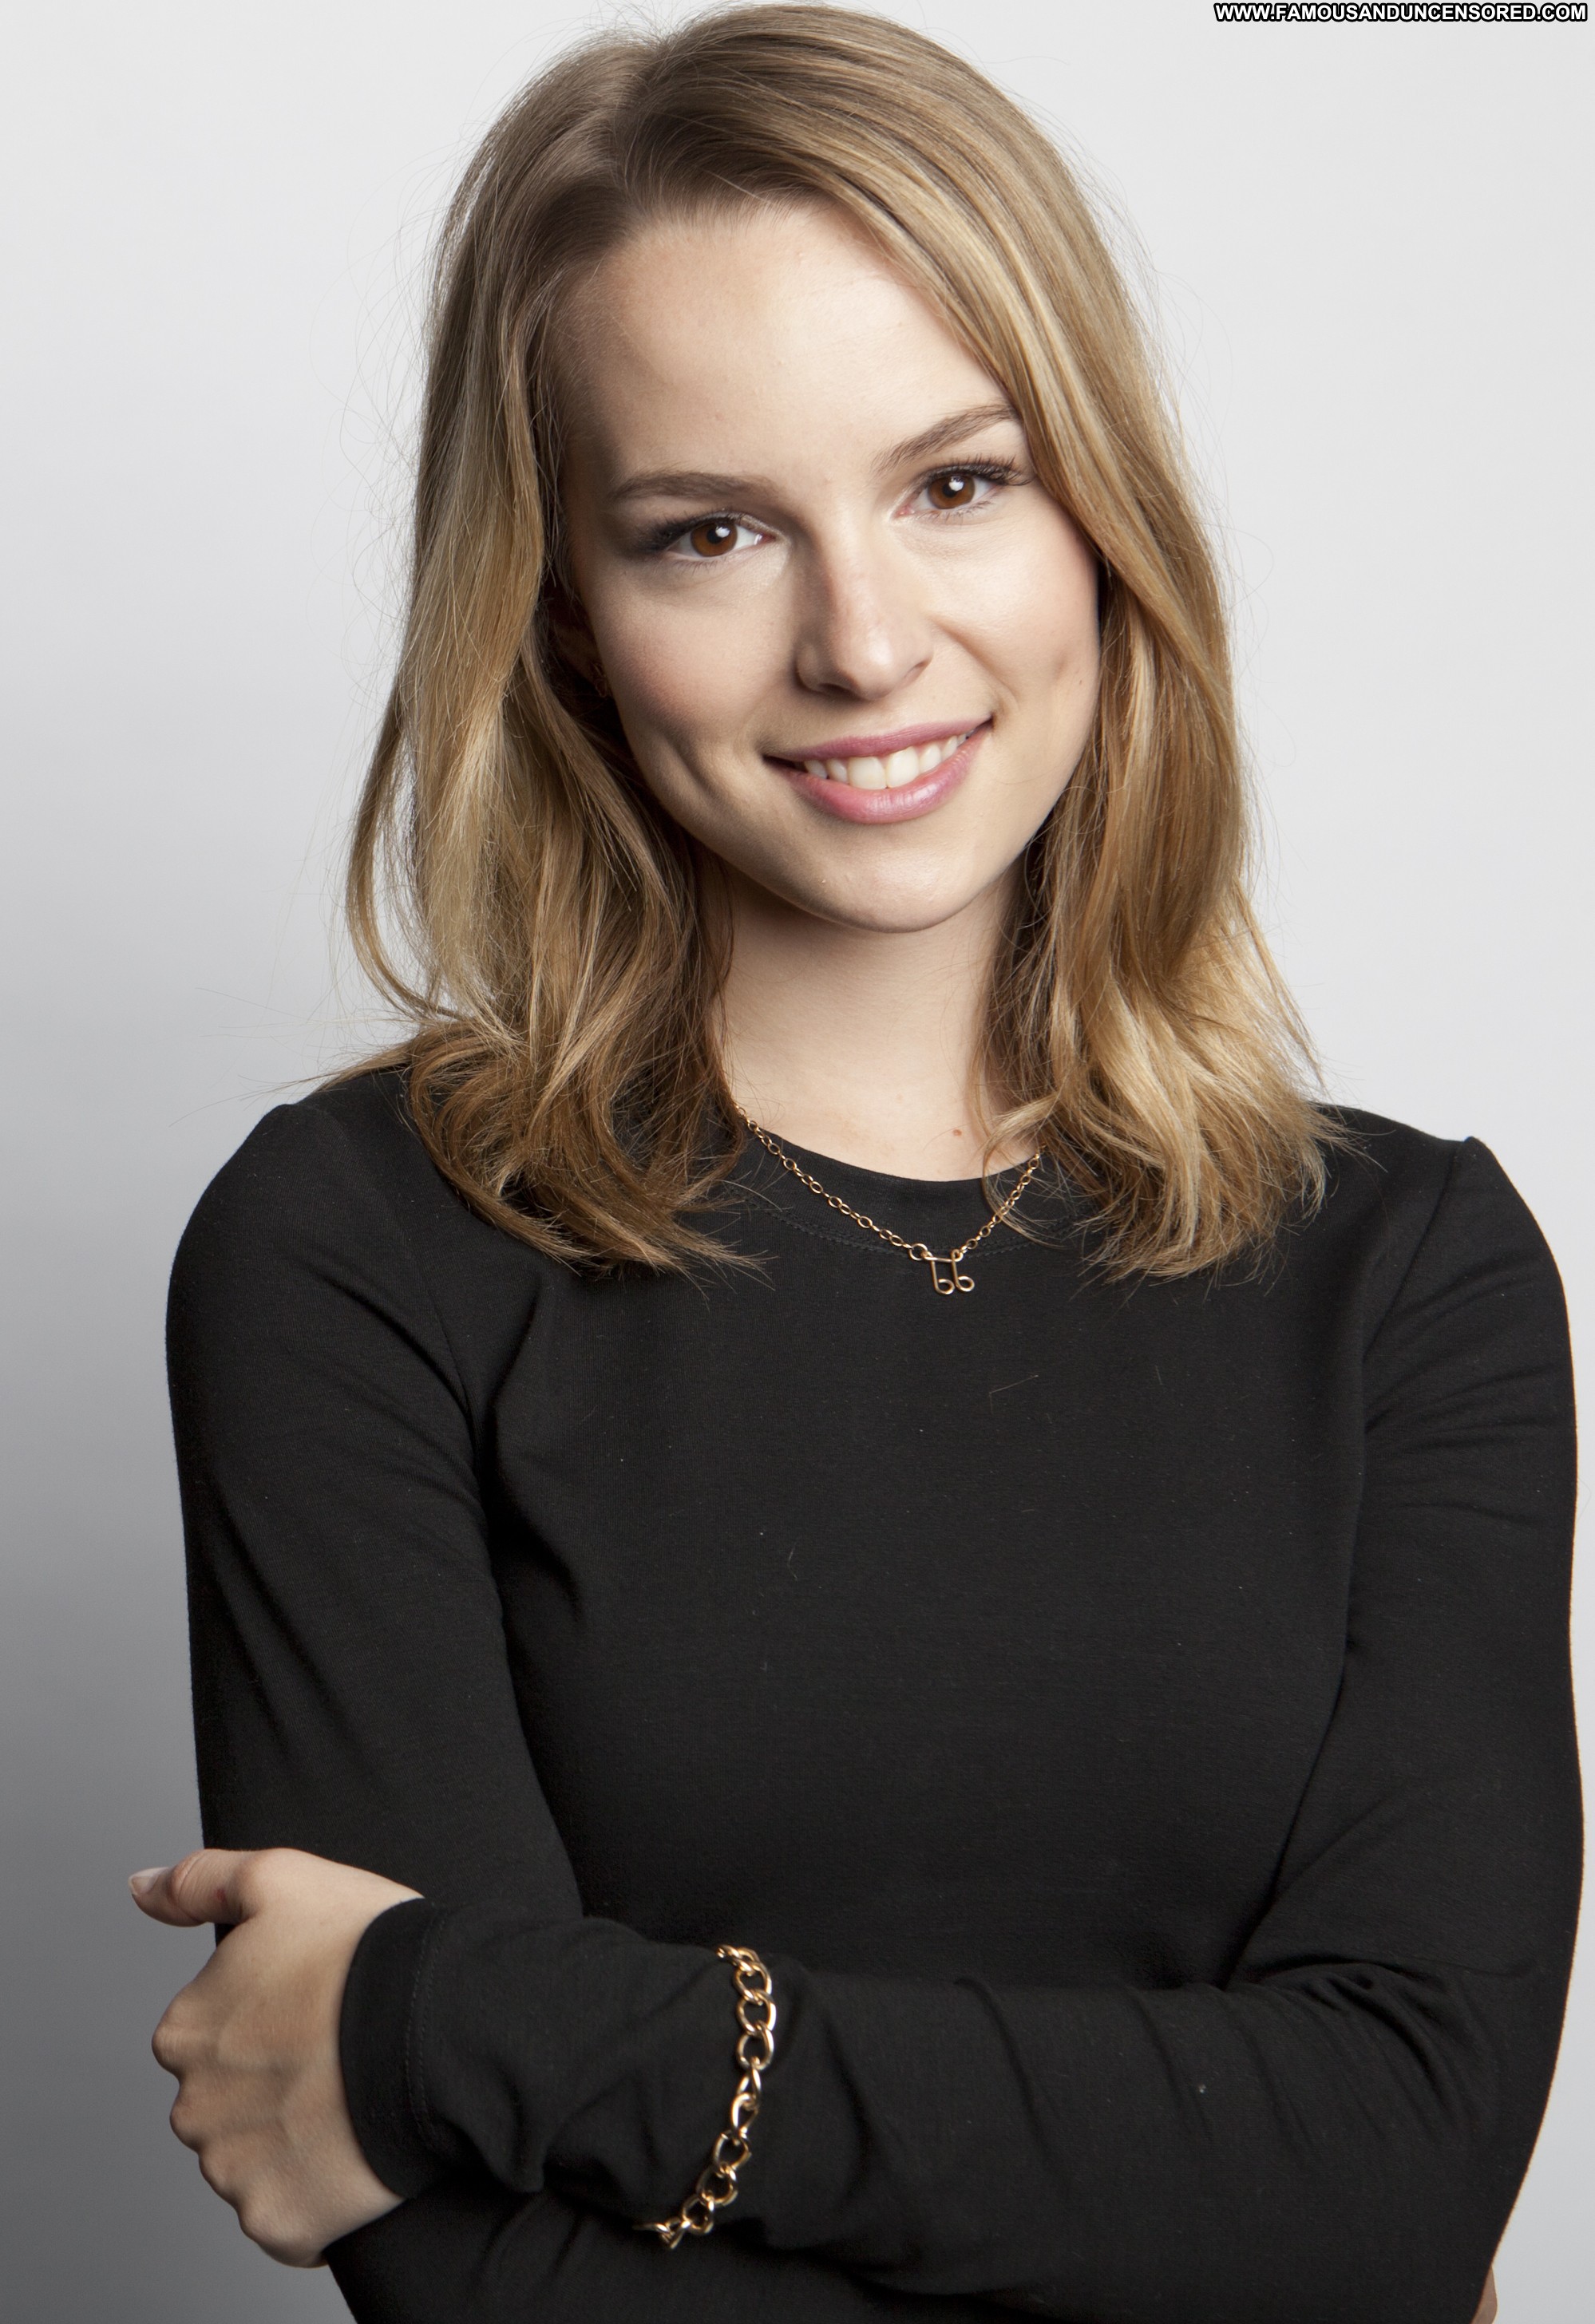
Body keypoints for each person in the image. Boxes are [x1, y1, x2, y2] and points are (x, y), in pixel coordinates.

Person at [129, 9, 1575, 2322]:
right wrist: (1220, 2193)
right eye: (709, 532)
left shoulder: (1410, 1273)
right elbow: (491, 2292)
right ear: (569, 613)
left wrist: (451, 2021)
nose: (868, 641)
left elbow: (1400, 2181)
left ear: (1102, 515)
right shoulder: (359, 1250)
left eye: (957, 484)